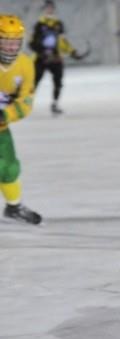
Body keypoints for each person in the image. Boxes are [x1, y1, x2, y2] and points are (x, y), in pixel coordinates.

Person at [0, 13, 41, 225]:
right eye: (6, 42)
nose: (11, 47)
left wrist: (5, 114)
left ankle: (14, 207)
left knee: (9, 168)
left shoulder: (25, 64)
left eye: (15, 42)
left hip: (1, 126)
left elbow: (26, 102)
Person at [29, 0, 86, 115]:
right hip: (41, 58)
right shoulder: (39, 24)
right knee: (34, 81)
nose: (49, 10)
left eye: (51, 7)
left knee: (58, 81)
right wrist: (42, 53)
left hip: (55, 58)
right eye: (47, 7)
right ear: (43, 9)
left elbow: (62, 41)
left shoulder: (58, 24)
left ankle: (55, 104)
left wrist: (72, 52)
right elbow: (31, 43)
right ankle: (25, 103)